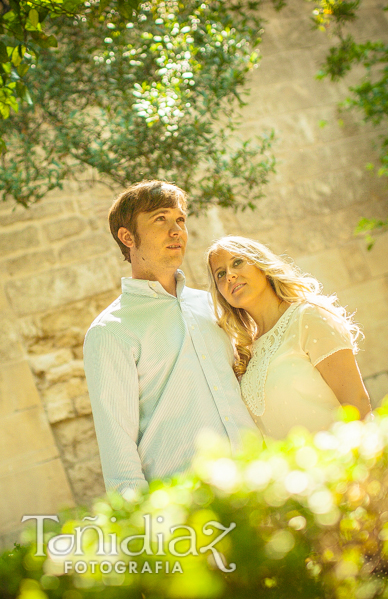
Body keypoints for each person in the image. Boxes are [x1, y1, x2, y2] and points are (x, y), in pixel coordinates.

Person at [83, 181, 259, 496]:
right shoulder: (110, 331)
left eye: (180, 220)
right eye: (160, 219)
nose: (176, 230)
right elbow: (117, 448)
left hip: (261, 482)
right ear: (127, 237)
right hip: (190, 509)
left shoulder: (211, 304)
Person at [206, 236, 371, 440]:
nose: (229, 275)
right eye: (220, 274)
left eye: (237, 262)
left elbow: (358, 404)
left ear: (261, 265)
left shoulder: (307, 317)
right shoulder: (245, 354)